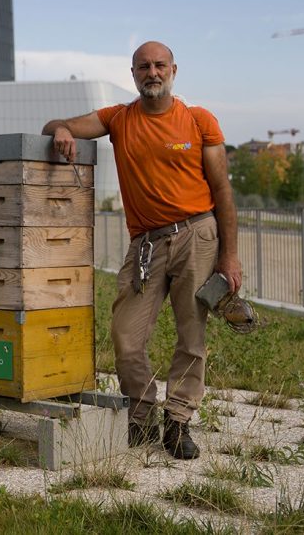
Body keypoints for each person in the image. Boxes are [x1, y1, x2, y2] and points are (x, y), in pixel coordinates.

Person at [42, 40, 242, 460]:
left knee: (192, 332)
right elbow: (55, 125)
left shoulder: (199, 120)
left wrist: (230, 255)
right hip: (146, 243)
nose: (152, 72)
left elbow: (222, 189)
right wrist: (60, 130)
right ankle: (142, 413)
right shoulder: (119, 118)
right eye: (144, 67)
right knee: (125, 333)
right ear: (133, 73)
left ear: (173, 70)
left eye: (160, 66)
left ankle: (179, 421)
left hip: (197, 234)